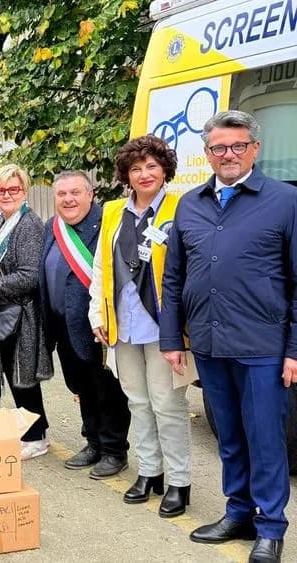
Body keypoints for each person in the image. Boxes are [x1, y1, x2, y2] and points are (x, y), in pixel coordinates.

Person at [160, 110, 296, 563]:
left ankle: (271, 528)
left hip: (264, 346)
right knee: (230, 437)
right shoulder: (190, 204)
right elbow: (174, 276)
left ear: (255, 149)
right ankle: (238, 512)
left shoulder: (283, 201)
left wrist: (294, 349)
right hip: (210, 344)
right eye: (219, 147)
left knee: (265, 439)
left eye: (238, 146)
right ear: (207, 153)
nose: (229, 154)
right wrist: (171, 339)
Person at [88, 134, 192, 515]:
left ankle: (180, 481)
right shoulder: (114, 211)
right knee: (138, 402)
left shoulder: (182, 208)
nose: (144, 174)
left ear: (164, 169)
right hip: (124, 324)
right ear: (126, 175)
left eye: (152, 166)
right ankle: (150, 472)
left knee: (168, 404)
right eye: (136, 168)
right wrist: (97, 314)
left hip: (165, 327)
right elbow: (101, 265)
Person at [40, 171, 131, 473]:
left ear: (90, 194)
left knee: (108, 390)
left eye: (75, 193)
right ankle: (93, 441)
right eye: (62, 194)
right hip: (62, 324)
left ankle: (114, 450)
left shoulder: (107, 222)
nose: (68, 199)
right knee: (82, 387)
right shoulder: (52, 227)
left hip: (97, 325)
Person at [0, 164, 53, 460]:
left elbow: (30, 276)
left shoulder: (28, 224)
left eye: (13, 189)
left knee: (22, 377)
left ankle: (36, 437)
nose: (6, 195)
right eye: (1, 190)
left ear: (25, 191)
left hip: (22, 313)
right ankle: (29, 429)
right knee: (12, 371)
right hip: (4, 309)